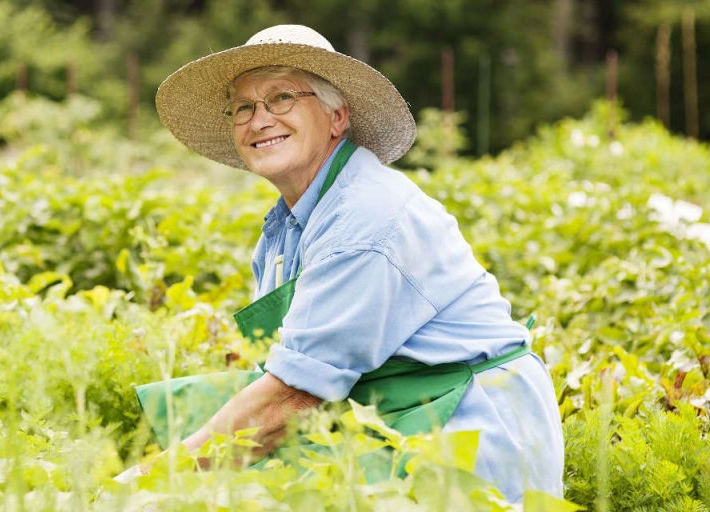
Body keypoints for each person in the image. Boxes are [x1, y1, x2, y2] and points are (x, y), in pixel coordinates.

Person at [124, 24, 564, 501]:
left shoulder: (365, 218)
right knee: (203, 407)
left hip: (470, 431)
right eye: (244, 107)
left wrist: (149, 482)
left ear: (337, 118)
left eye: (282, 98)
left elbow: (293, 396)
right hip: (396, 406)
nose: (259, 119)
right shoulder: (286, 226)